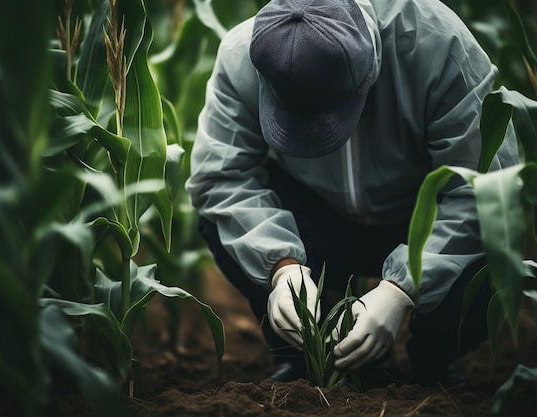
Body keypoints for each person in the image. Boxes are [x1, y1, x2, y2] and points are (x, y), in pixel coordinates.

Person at [186, 0, 518, 386]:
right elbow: (221, 176)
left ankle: (433, 362)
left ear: (370, 67)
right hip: (318, 219)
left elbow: (486, 185)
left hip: (419, 220)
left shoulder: (436, 44)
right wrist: (282, 268)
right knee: (217, 221)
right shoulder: (243, 55)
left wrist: (401, 290)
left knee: (495, 247)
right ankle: (308, 358)